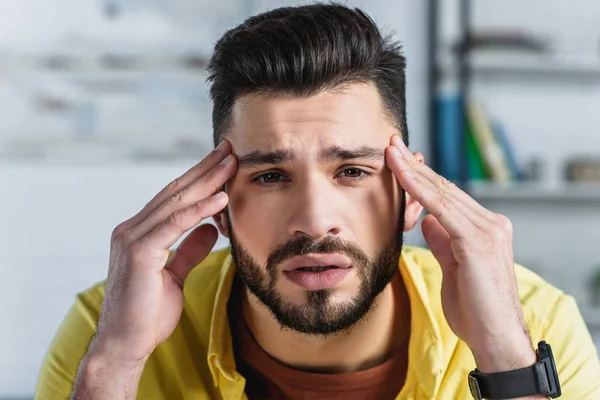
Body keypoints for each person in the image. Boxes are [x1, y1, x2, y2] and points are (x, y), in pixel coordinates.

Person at [35, 3, 600, 400]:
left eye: (352, 171)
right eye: (271, 176)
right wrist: (115, 366)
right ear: (218, 203)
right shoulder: (105, 328)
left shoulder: (534, 322)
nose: (313, 221)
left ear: (411, 196)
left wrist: (505, 359)